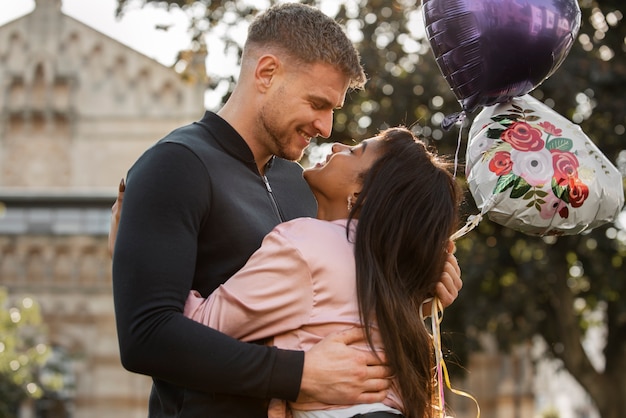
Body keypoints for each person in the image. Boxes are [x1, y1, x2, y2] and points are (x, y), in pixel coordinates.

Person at [111, 3, 463, 417]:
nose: (327, 127)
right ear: (266, 73)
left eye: (332, 109)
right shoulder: (176, 165)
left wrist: (416, 284)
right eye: (317, 103)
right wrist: (297, 375)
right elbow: (145, 338)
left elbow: (332, 302)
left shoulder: (299, 185)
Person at [183, 127, 462, 418]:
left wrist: (147, 242)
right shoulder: (390, 270)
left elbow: (200, 330)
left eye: (354, 151)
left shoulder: (305, 244)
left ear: (361, 194)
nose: (336, 146)